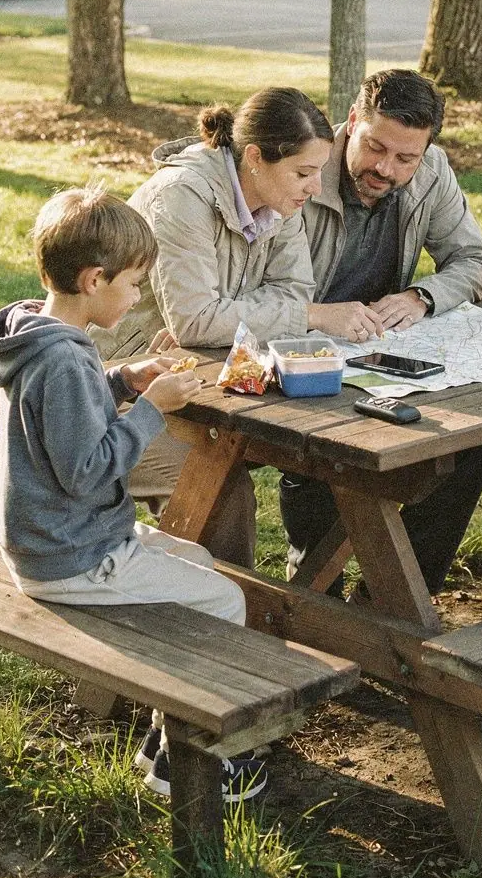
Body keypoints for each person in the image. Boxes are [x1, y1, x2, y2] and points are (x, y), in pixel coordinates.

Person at [0, 185, 267, 802]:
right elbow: (88, 471)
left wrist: (120, 378)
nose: (140, 296)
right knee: (224, 602)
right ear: (94, 279)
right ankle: (189, 765)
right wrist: (150, 409)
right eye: (136, 284)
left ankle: (163, 732)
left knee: (197, 563)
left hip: (53, 540)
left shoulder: (37, 336)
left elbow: (63, 419)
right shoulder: (61, 359)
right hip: (71, 558)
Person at [282, 68, 482, 598]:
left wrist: (421, 297)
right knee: (332, 452)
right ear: (351, 122)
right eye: (375, 147)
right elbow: (253, 292)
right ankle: (315, 588)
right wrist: (317, 315)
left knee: (477, 437)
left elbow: (474, 260)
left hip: (377, 348)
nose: (386, 168)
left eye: (406, 158)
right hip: (298, 348)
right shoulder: (301, 171)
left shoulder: (432, 173)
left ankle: (398, 596)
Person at [96, 87, 335, 567]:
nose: (315, 188)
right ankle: (226, 626)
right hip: (112, 397)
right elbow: (197, 319)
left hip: (198, 382)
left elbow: (294, 291)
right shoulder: (181, 197)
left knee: (331, 461)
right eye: (304, 172)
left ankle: (285, 604)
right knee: (220, 484)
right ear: (255, 157)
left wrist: (226, 315)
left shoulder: (280, 200)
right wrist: (275, 317)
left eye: (319, 173)